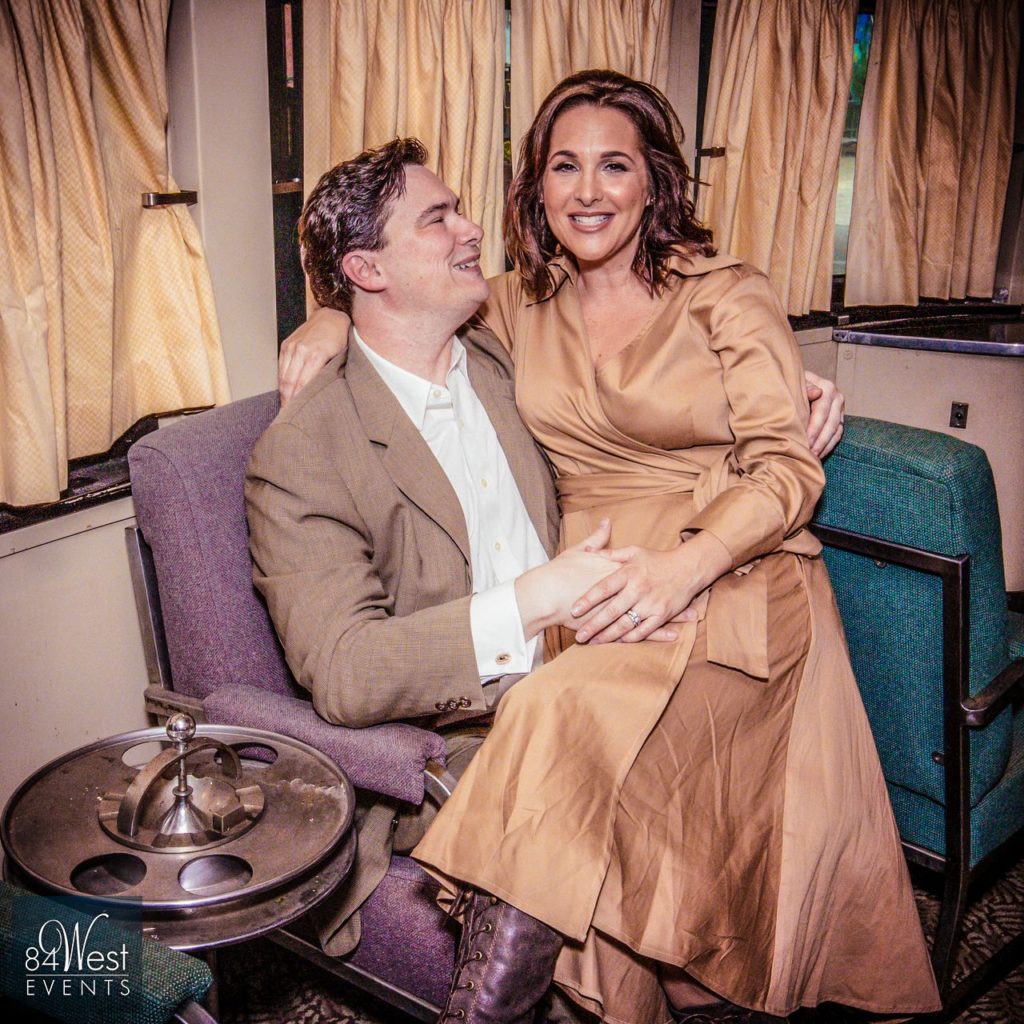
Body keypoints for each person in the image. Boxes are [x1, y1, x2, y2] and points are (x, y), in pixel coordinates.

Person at [279, 71, 940, 1024]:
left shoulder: (727, 294)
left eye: (615, 166)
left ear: (653, 182)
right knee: (577, 751)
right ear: (539, 190)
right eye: (565, 167)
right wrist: (330, 313)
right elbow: (395, 300)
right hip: (589, 594)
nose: (589, 190)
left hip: (733, 572)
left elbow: (789, 476)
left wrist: (684, 566)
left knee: (558, 715)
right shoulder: (509, 306)